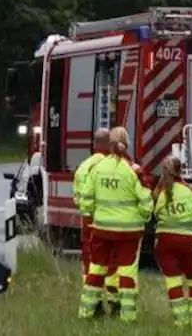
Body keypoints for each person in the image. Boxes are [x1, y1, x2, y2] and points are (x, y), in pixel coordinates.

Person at [75, 126, 151, 322]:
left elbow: (87, 198)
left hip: (101, 229)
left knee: (97, 268)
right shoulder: (133, 170)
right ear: (127, 144)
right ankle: (126, 315)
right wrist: (142, 217)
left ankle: (86, 312)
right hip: (129, 232)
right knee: (126, 272)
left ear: (109, 144)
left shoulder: (97, 168)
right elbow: (145, 201)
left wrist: (93, 215)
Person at [151, 157, 192, 328]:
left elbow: (154, 214)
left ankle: (180, 322)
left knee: (173, 282)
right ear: (181, 171)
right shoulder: (191, 190)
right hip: (188, 242)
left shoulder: (159, 193)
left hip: (165, 243)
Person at [72, 128, 119, 307]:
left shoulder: (84, 166)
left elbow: (76, 197)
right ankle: (113, 299)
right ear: (110, 144)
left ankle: (92, 298)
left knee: (90, 259)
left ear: (94, 144)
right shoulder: (113, 165)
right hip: (108, 219)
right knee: (111, 259)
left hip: (88, 220)